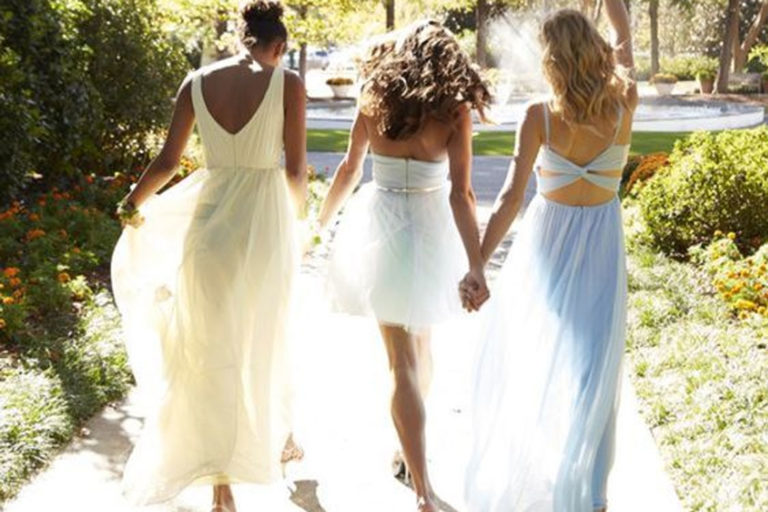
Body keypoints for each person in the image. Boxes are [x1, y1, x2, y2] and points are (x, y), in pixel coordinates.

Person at [110, 2, 307, 510]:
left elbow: (167, 161)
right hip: (263, 229)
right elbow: (294, 172)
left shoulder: (195, 83)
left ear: (241, 38)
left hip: (209, 229)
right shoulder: (288, 83)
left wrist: (131, 203)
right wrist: (302, 221)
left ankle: (222, 486)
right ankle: (274, 438)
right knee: (265, 337)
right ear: (279, 45)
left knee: (211, 349)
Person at [463, 1, 636, 511]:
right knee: (593, 366)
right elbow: (625, 45)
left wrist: (478, 265)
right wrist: (614, 12)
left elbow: (510, 199)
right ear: (593, 50)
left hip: (548, 246)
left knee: (536, 357)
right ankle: (591, 495)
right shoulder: (624, 101)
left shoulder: (539, 115)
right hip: (601, 244)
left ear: (552, 59)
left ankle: (546, 478)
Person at [314, 20, 491, 512]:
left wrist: (319, 224)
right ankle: (414, 466)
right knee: (421, 352)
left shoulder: (374, 95)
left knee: (403, 362)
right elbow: (462, 194)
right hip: (431, 230)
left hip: (382, 227)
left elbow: (350, 169)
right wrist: (476, 265)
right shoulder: (453, 110)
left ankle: (420, 485)